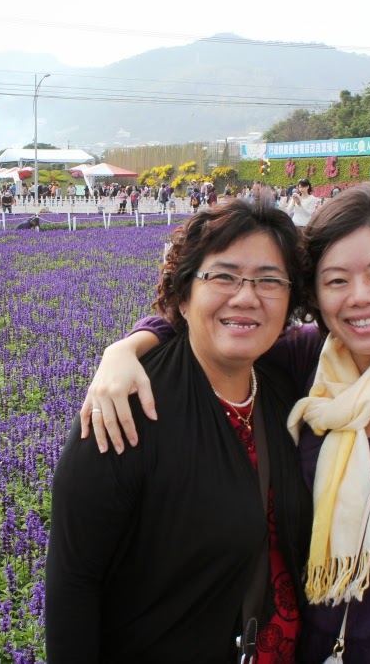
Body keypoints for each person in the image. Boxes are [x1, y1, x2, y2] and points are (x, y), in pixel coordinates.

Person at [80, 183, 370, 664]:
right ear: (314, 295)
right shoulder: (305, 362)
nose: (360, 297)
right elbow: (215, 323)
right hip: (302, 649)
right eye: (336, 281)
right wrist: (127, 348)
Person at [48, 200, 312, 663]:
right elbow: (74, 582)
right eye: (224, 276)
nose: (246, 297)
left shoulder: (284, 387)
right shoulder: (126, 408)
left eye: (269, 280)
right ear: (184, 297)